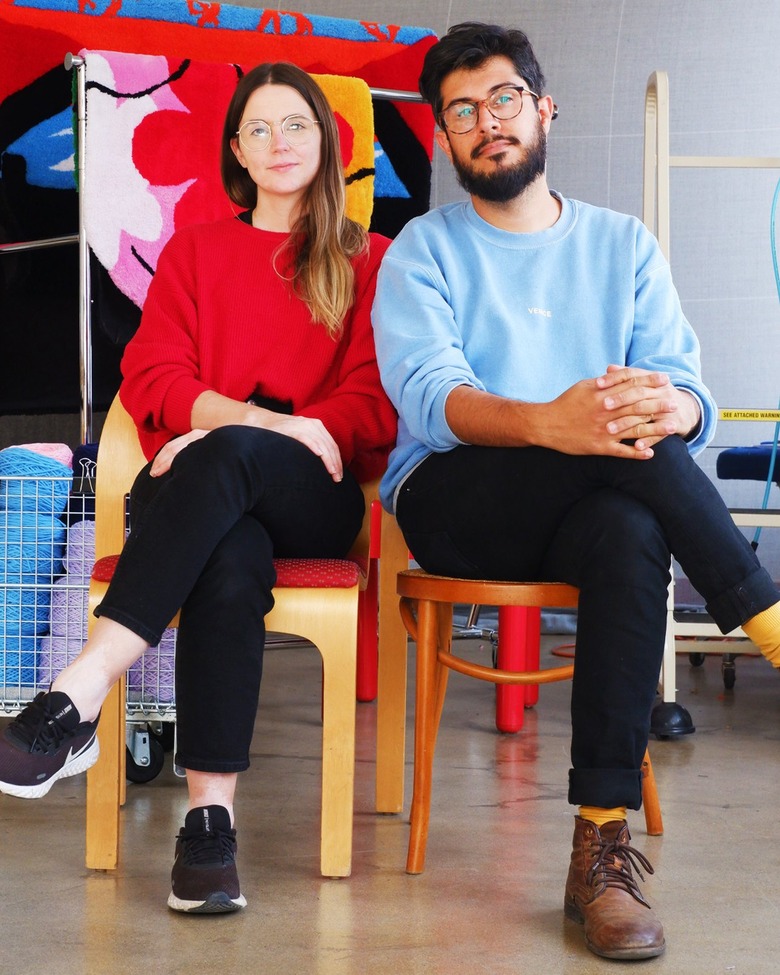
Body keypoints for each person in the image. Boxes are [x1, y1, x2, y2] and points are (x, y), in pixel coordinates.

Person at [371, 22, 780, 962]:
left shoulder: (620, 243)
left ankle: (600, 844)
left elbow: (683, 384)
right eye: (462, 111)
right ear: (444, 134)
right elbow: (433, 397)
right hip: (458, 499)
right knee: (612, 447)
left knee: (630, 524)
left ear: (543, 109)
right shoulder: (420, 251)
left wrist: (670, 405)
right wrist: (557, 421)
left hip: (596, 501)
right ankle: (763, 619)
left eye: (504, 99)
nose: (487, 123)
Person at [0, 62, 397, 914]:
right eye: (259, 129)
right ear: (237, 153)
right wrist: (264, 421)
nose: (279, 142)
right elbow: (153, 371)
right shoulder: (197, 249)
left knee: (227, 459)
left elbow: (369, 400)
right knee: (228, 550)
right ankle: (208, 828)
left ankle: (80, 690)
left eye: (296, 124)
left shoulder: (371, 260)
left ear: (326, 143)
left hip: (311, 498)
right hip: (195, 492)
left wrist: (252, 433)